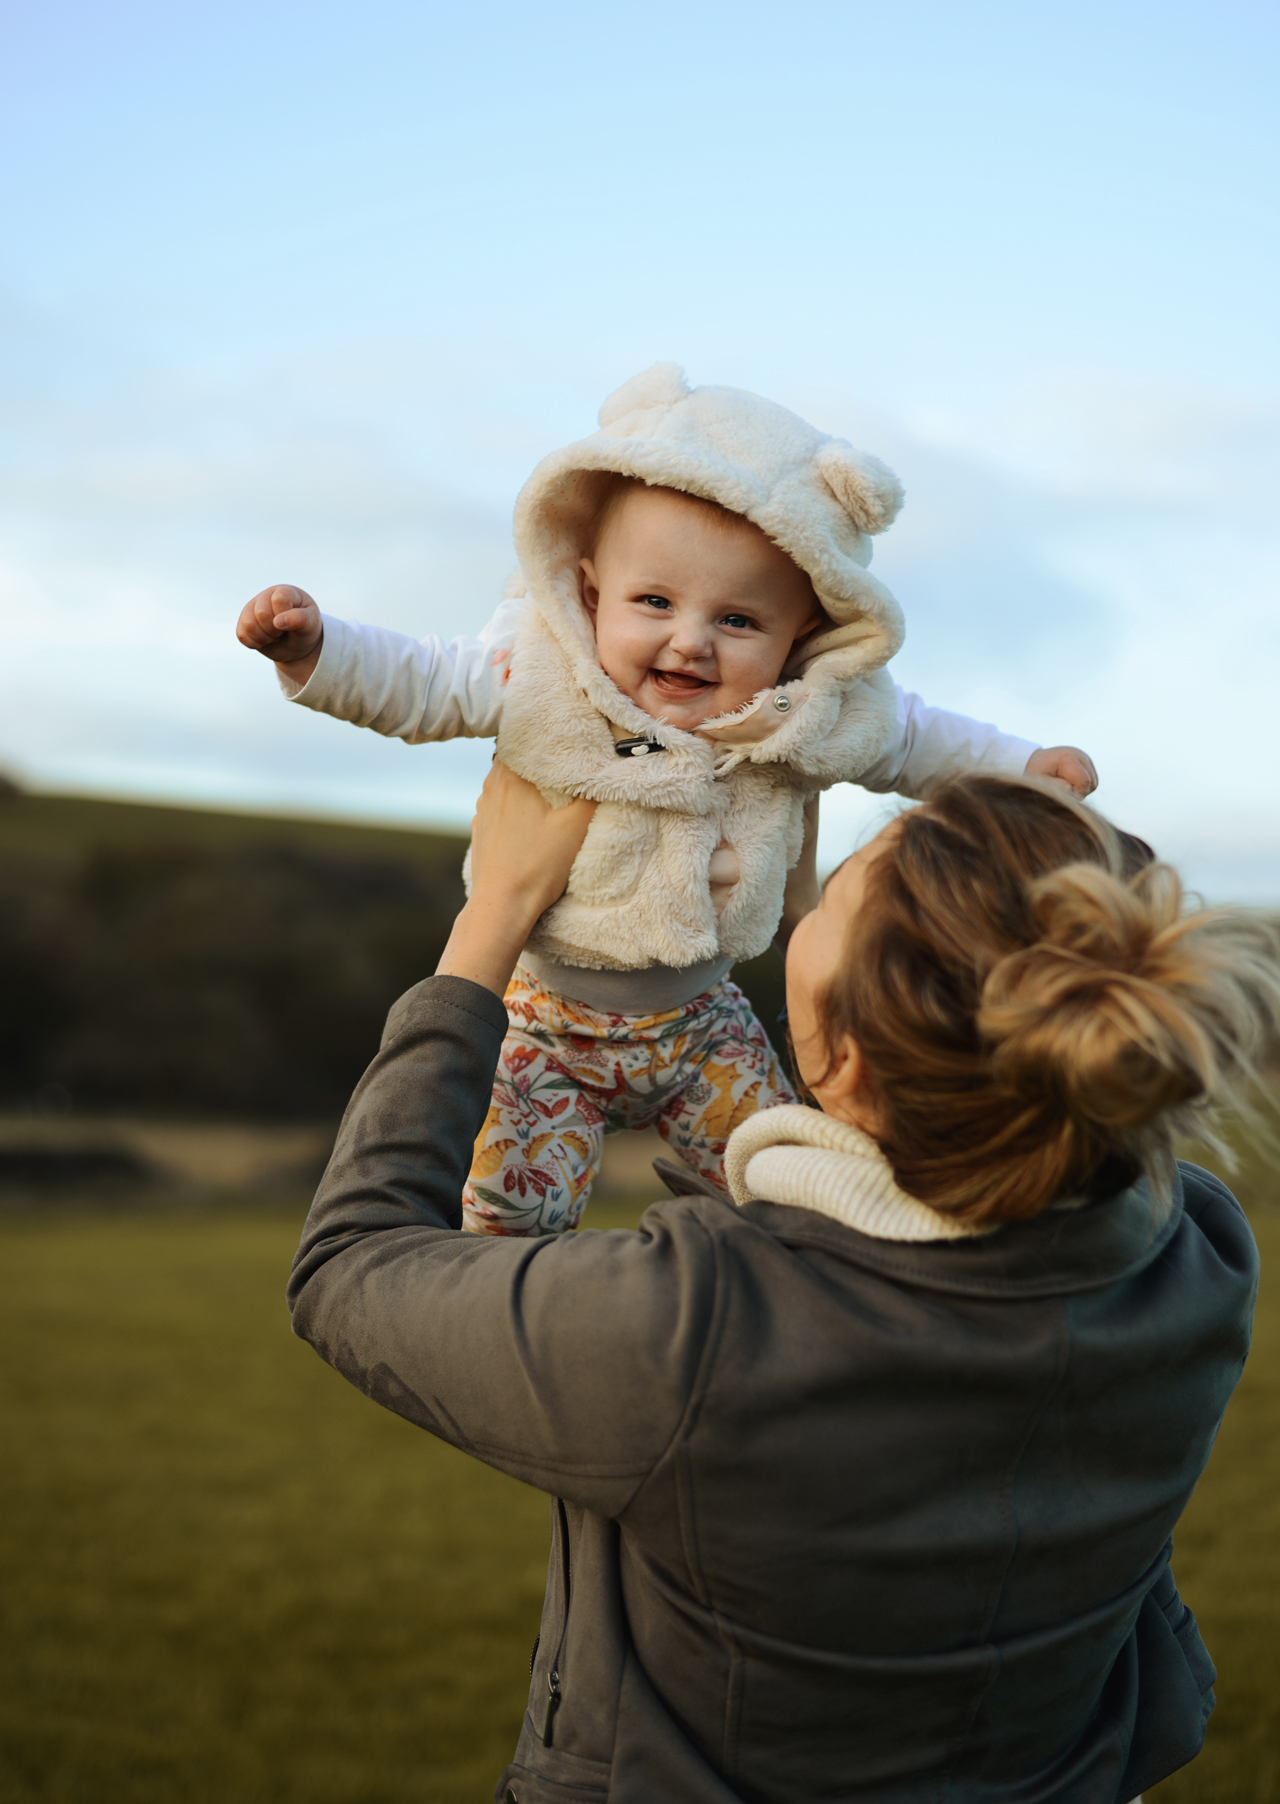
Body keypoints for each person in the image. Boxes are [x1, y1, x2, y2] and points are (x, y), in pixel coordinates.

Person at [289, 762, 1277, 1803]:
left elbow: (349, 1265)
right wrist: (990, 878)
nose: (803, 902)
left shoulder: (695, 1330)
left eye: (833, 894)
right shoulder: (1197, 1253)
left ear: (842, 1064)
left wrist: (490, 916)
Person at [239, 363, 1098, 1236]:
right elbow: (425, 683)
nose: (690, 642)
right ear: (587, 593)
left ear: (800, 635)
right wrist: (316, 651)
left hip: (704, 1025)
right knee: (505, 1231)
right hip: (542, 1028)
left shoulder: (802, 716)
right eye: (654, 601)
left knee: (803, 1204)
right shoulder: (539, 671)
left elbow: (919, 740)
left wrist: (1026, 767)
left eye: (738, 621)